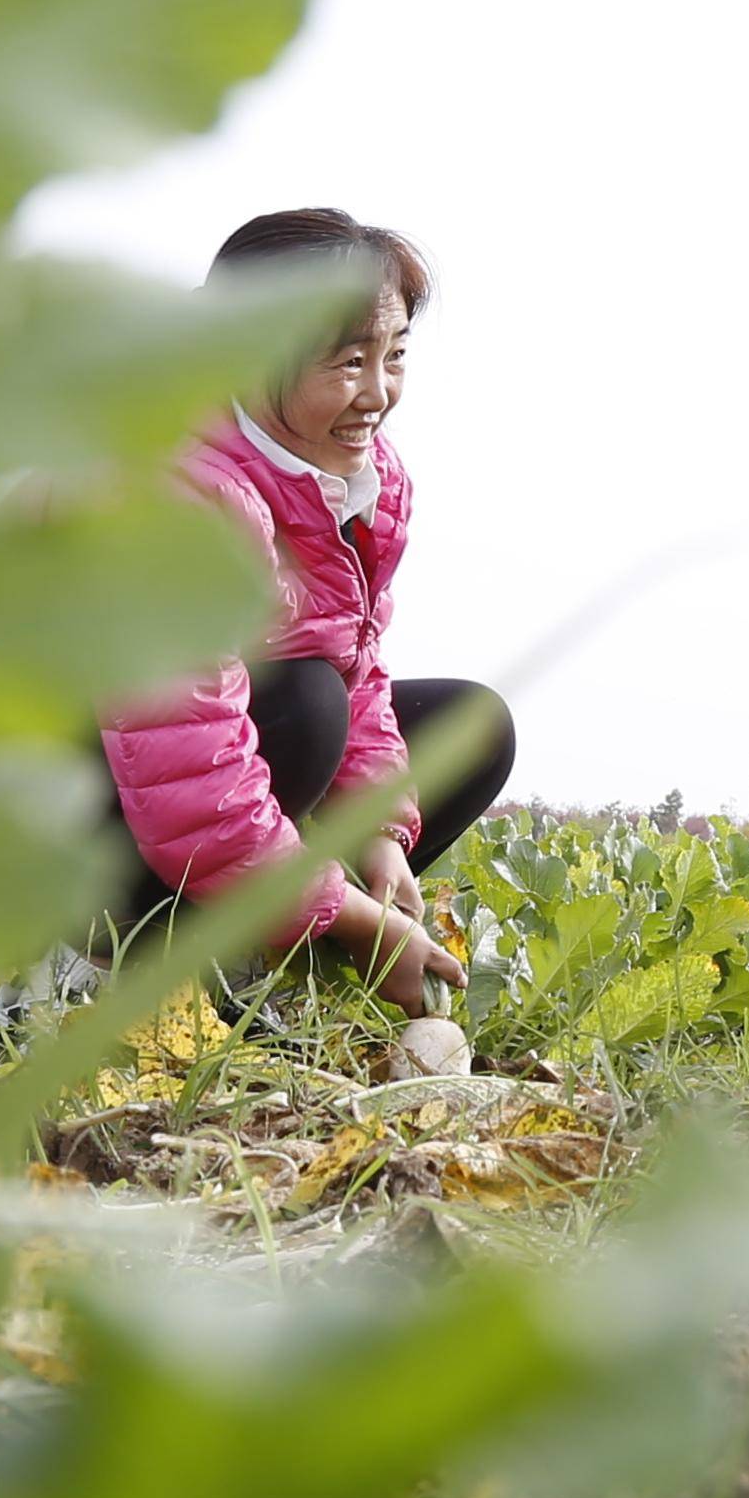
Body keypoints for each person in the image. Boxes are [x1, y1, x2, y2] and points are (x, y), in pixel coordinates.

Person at [97, 208, 518, 1005]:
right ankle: (103, 962)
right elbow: (190, 769)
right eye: (348, 362)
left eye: (393, 357)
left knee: (470, 724)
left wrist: (382, 837)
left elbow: (356, 661)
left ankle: (251, 957)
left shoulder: (359, 480)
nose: (378, 394)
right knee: (303, 702)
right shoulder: (174, 486)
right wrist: (357, 918)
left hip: (210, 777)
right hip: (84, 804)